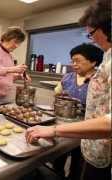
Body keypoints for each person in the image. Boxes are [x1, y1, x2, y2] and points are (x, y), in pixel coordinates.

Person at [26, 0, 111, 179]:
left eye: (92, 33)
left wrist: (54, 131)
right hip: (92, 143)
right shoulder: (107, 58)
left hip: (103, 147)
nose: (92, 38)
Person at [53, 43, 103, 179]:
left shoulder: (99, 80)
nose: (74, 64)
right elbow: (58, 92)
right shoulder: (68, 77)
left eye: (78, 61)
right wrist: (58, 94)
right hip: (64, 124)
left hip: (87, 128)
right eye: (72, 61)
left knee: (78, 162)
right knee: (58, 156)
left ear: (93, 61)